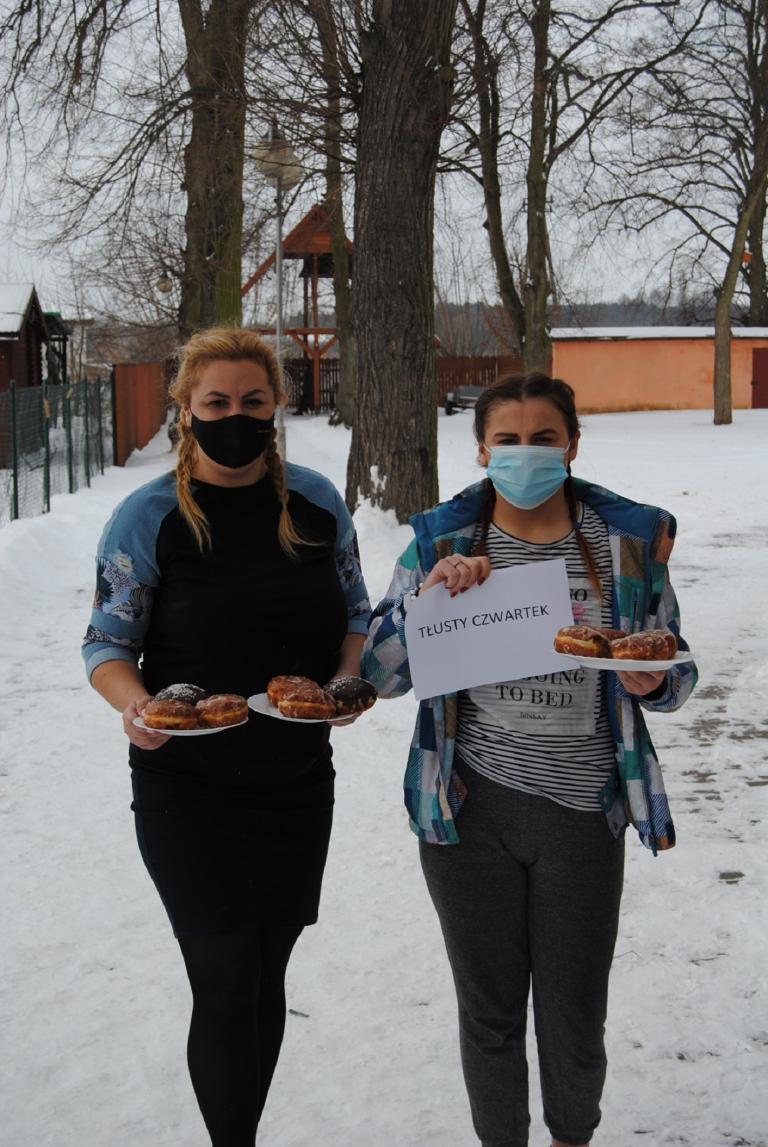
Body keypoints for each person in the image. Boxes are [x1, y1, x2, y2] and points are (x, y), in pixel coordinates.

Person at [361, 374, 697, 1147]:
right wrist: (431, 602)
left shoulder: (625, 548)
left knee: (576, 1014)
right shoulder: (441, 546)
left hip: (582, 811)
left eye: (543, 437)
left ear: (572, 446)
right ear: (480, 450)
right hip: (467, 809)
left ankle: (572, 1135)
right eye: (506, 440)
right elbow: (379, 674)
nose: (524, 454)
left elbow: (674, 663)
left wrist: (656, 678)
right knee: (489, 1012)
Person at [82, 326, 371, 1146]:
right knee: (222, 976)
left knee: (267, 970)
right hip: (189, 785)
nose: (235, 416)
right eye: (216, 402)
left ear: (277, 407)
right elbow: (106, 642)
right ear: (185, 409)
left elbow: (354, 611)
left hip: (294, 776)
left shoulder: (315, 502)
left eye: (253, 401)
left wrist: (342, 685)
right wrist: (136, 707)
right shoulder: (149, 516)